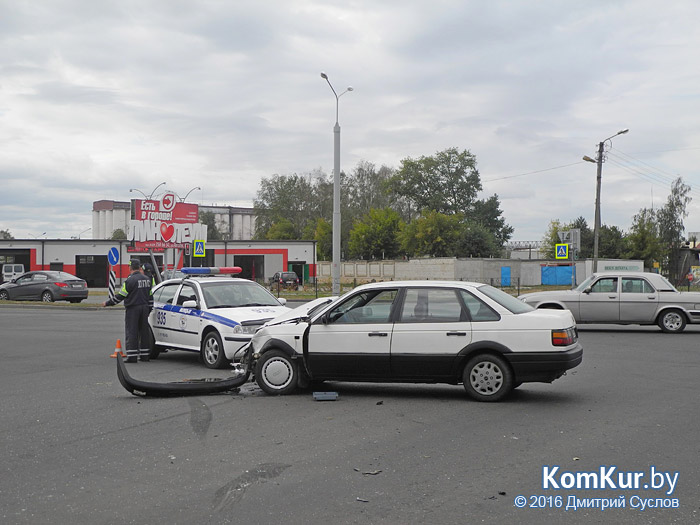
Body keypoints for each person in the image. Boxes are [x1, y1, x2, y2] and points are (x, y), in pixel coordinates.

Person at [103, 259, 152, 362]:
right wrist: (149, 309)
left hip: (133, 309)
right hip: (144, 308)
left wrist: (108, 303)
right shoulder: (147, 279)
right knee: (144, 332)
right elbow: (151, 296)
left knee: (132, 332)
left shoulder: (129, 280)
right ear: (139, 268)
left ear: (130, 267)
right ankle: (145, 355)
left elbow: (121, 295)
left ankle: (132, 356)